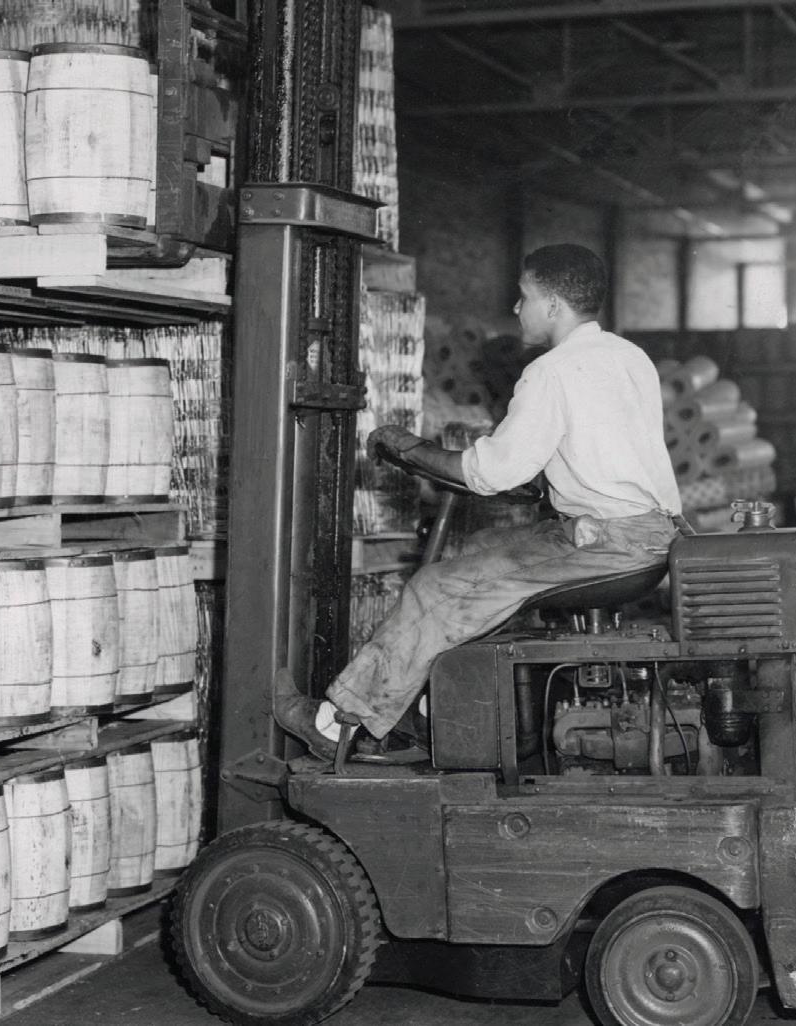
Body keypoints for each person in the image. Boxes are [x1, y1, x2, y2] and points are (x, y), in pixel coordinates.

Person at [275, 242, 685, 759]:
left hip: (613, 544)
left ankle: (336, 727)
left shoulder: (552, 371)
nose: (516, 308)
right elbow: (591, 452)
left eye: (524, 297)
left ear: (553, 306)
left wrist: (412, 449)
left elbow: (491, 472)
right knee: (477, 548)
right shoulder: (628, 357)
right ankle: (428, 712)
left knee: (434, 587)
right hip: (645, 533)